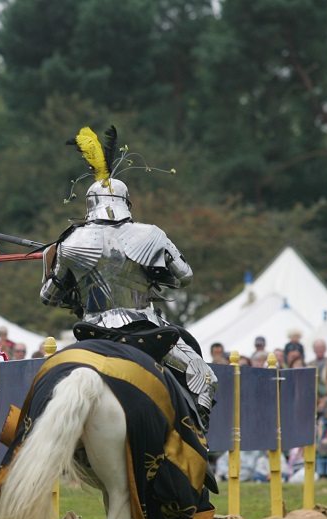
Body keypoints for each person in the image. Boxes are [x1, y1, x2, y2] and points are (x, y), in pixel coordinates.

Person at [41, 126, 216, 427]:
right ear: (125, 202)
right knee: (205, 378)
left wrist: (52, 264)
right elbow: (185, 276)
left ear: (89, 205)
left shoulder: (71, 242)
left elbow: (48, 297)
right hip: (144, 326)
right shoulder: (151, 234)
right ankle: (194, 436)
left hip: (93, 328)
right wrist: (155, 273)